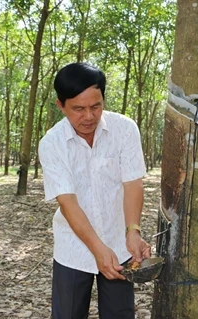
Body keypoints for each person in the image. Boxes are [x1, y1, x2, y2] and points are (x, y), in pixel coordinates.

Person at [38, 62, 151, 319]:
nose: (88, 116)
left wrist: (133, 231)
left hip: (119, 244)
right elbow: (68, 202)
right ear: (60, 105)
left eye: (95, 106)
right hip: (73, 248)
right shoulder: (52, 144)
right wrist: (98, 250)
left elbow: (133, 182)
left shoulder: (124, 129)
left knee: (120, 314)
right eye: (78, 109)